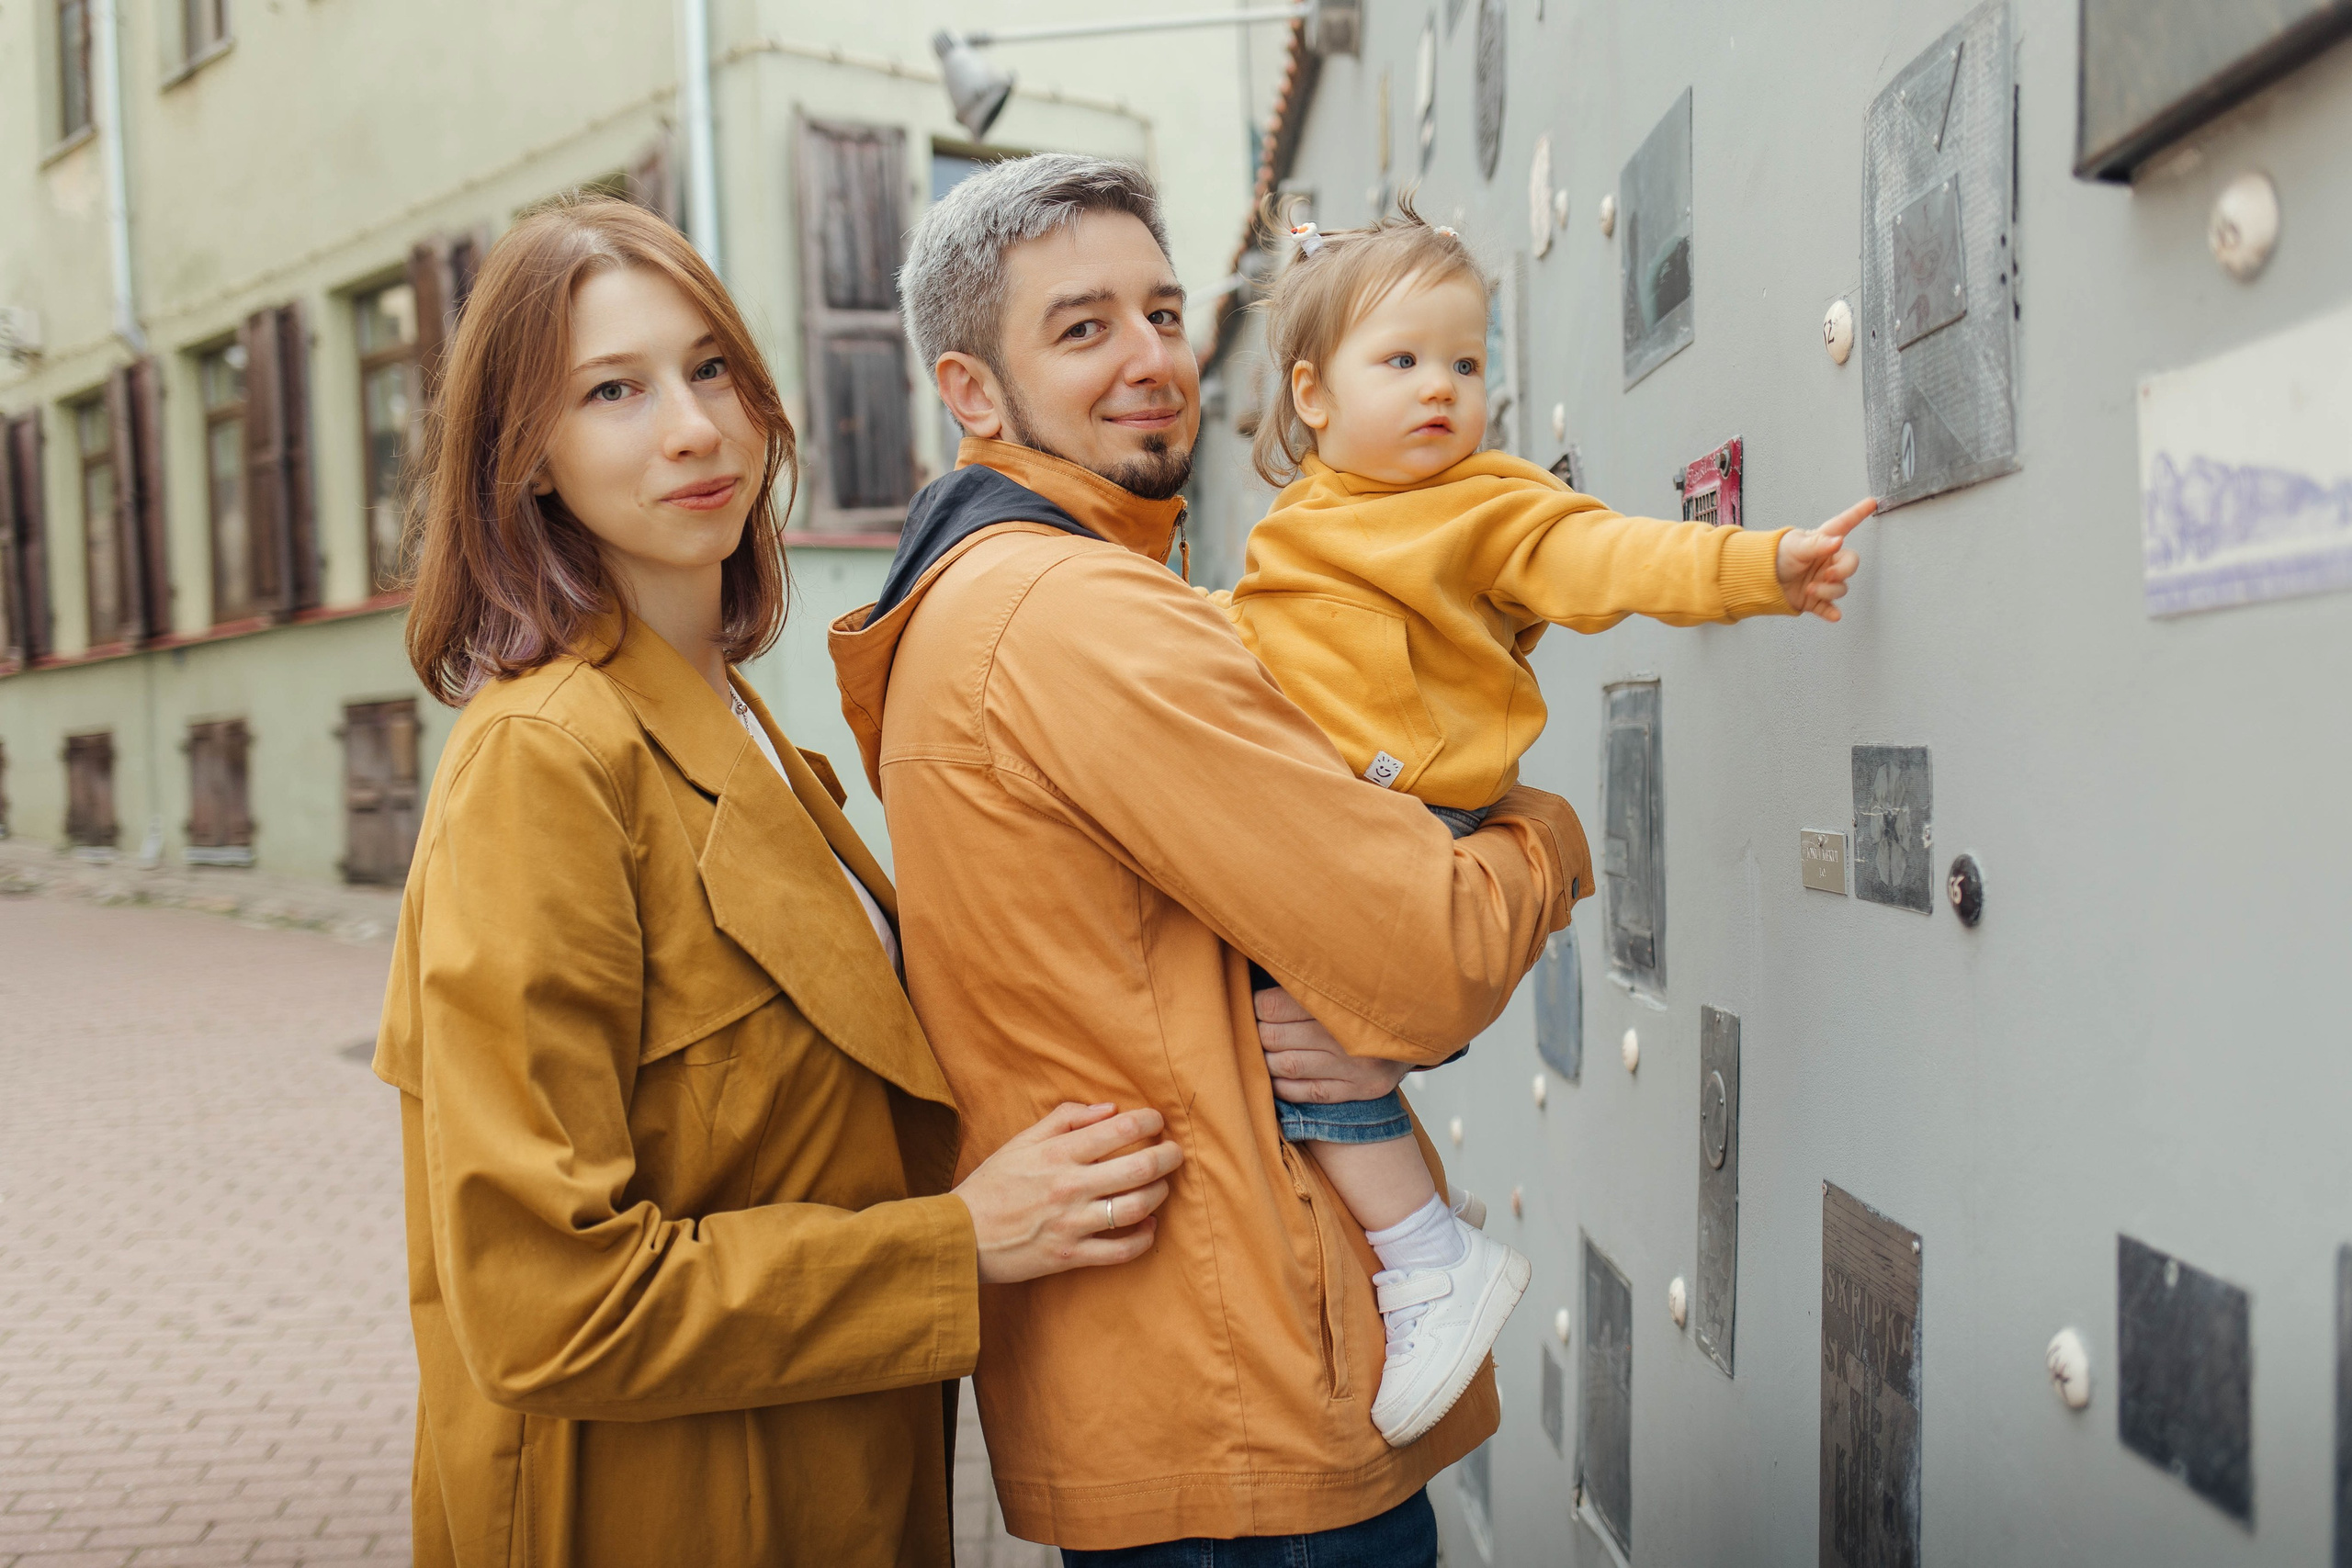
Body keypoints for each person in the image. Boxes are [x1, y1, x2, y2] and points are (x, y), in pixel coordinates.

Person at [373, 196, 1183, 1567]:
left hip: (835, 1482)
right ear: (529, 460)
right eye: (613, 392)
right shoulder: (541, 761)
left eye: (711, 369)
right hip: (654, 1514)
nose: (693, 427)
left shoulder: (742, 724)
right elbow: (544, 1301)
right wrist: (958, 1246)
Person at [830, 154, 1589, 1562]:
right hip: (1246, 1406)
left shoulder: (982, 591)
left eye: (1164, 313)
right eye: (1083, 326)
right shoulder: (1078, 613)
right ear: (972, 393)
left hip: (1165, 1391)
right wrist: (1546, 833)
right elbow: (1425, 957)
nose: (1151, 359)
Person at [1207, 205, 1876, 1444]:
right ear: (1311, 393)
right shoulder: (1294, 533)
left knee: (1301, 1036)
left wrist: (1761, 565)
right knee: (1284, 1041)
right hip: (1330, 823)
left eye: (1467, 363)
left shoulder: (1486, 508)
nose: (1442, 391)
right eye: (1400, 362)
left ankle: (1428, 1261)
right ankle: (1423, 1233)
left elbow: (1612, 559)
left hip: (1415, 819)